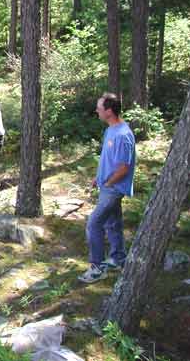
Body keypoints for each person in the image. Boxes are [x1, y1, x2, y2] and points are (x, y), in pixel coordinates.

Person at [78, 93, 136, 284]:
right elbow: (109, 160)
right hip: (107, 185)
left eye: (99, 108)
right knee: (113, 222)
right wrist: (99, 178)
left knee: (93, 224)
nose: (97, 111)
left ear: (109, 111)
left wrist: (109, 183)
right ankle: (118, 258)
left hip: (114, 189)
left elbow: (124, 167)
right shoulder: (111, 130)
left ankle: (97, 268)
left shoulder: (123, 135)